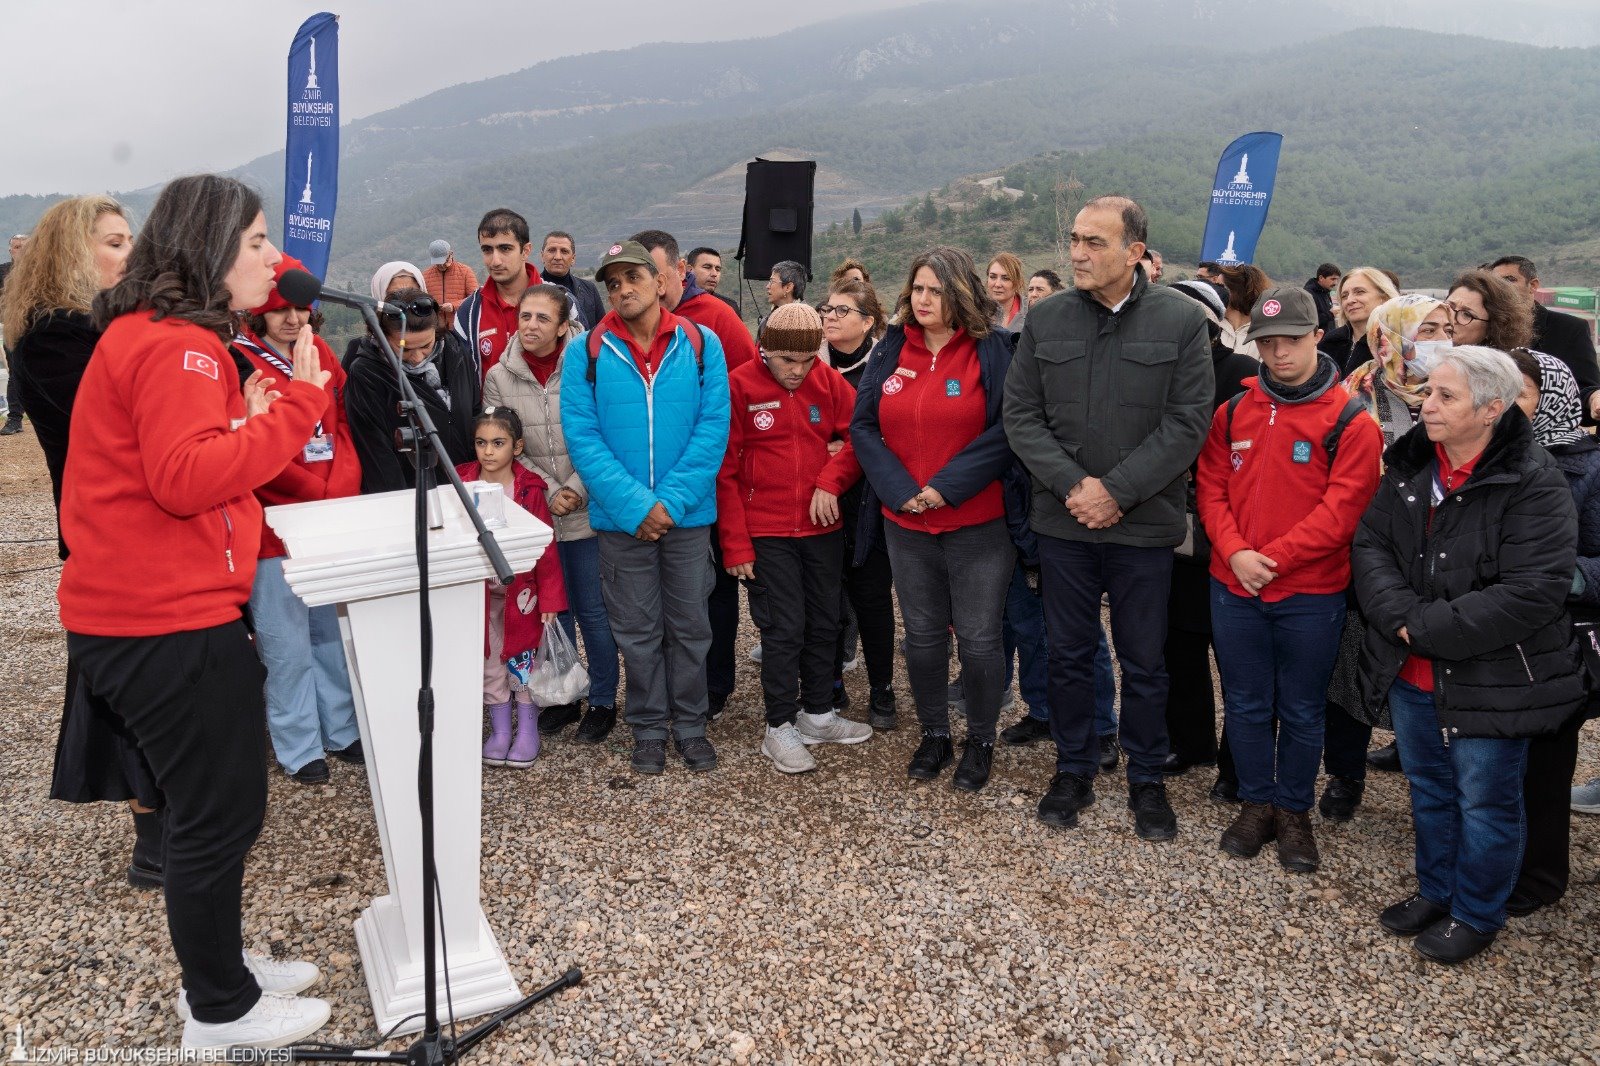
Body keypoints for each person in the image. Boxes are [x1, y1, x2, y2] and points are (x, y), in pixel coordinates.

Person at [61, 174, 333, 1048]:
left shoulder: (158, 337)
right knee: (220, 813)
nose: (273, 260)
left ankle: (223, 967)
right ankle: (221, 1010)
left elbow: (183, 464)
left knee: (211, 807)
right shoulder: (181, 346)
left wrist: (238, 425)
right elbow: (184, 482)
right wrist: (297, 403)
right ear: (212, 248)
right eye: (256, 242)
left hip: (148, 612)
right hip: (162, 619)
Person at [1354, 345, 1582, 965]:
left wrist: (1419, 626)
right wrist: (1400, 619)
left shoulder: (1533, 480)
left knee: (1485, 800)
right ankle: (1437, 891)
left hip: (1492, 673)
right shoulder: (1410, 465)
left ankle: (1477, 913)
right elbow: (1372, 543)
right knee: (1428, 787)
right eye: (1428, 392)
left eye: (1444, 397)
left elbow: (1532, 592)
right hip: (1414, 669)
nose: (1426, 404)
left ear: (1491, 410)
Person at [1003, 194, 1213, 838]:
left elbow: (1187, 424)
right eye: (1074, 239)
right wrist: (1076, 486)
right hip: (1064, 522)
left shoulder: (1180, 322)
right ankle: (1074, 766)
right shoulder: (1049, 320)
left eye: (1094, 242)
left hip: (1143, 527)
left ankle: (1147, 779)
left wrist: (1115, 491)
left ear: (1135, 252)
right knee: (1068, 653)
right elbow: (1022, 416)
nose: (1077, 253)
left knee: (1145, 658)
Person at [1197, 287, 1382, 873]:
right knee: (1247, 705)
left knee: (1302, 710)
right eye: (1267, 343)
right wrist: (1234, 551)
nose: (1278, 354)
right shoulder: (1233, 412)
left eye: (1290, 341)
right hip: (1234, 588)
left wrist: (1267, 559)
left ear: (1315, 338)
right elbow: (1211, 488)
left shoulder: (1352, 420)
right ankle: (1257, 804)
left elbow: (1342, 512)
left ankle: (1294, 810)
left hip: (1309, 593)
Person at [2, 196, 158, 884]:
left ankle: (177, 825)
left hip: (149, 527)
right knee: (128, 699)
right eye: (116, 242)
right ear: (73, 252)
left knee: (160, 687)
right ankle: (154, 839)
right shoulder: (54, 337)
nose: (131, 254)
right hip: (108, 538)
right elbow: (124, 422)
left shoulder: (107, 328)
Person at [851, 246, 1019, 792]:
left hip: (977, 523)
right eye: (917, 289)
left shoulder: (992, 350)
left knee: (977, 639)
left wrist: (945, 489)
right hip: (907, 524)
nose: (923, 300)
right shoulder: (892, 348)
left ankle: (982, 739)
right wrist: (902, 492)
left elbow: (1007, 429)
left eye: (935, 290)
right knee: (922, 637)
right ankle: (935, 733)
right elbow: (864, 427)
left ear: (960, 294)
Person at [561, 240, 731, 774]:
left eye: (633, 277)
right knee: (635, 629)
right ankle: (650, 728)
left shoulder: (702, 344)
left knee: (689, 626)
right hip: (621, 520)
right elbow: (583, 438)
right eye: (612, 283)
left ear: (661, 282)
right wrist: (637, 505)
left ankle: (691, 725)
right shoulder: (585, 351)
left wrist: (671, 503)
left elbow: (714, 429)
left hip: (685, 517)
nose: (622, 289)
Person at [719, 302, 872, 772]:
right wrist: (736, 543)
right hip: (765, 531)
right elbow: (723, 472)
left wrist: (831, 479)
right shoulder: (739, 385)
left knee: (825, 622)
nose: (796, 371)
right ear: (764, 349)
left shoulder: (827, 382)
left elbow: (859, 438)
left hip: (821, 529)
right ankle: (779, 725)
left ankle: (818, 713)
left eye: (806, 360)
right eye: (786, 360)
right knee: (784, 627)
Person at [233, 255, 363, 785]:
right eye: (279, 309)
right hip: (273, 525)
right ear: (258, 313)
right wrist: (313, 489)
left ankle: (341, 728)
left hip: (327, 513)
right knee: (286, 644)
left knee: (330, 635)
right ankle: (298, 744)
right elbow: (249, 446)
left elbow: (344, 428)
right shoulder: (241, 361)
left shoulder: (322, 352)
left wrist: (339, 486)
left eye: (300, 309)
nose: (292, 319)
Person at [629, 229, 758, 721]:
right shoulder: (624, 327)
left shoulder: (716, 319)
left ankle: (714, 684)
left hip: (710, 482)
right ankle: (666, 687)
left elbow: (745, 391)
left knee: (713, 588)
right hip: (648, 490)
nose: (651, 287)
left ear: (678, 271)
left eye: (657, 276)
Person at [484, 283, 620, 744]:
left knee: (592, 611)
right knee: (549, 613)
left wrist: (576, 489)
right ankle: (561, 696)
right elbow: (501, 445)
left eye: (543, 318)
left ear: (565, 326)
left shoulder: (588, 366)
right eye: (525, 317)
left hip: (585, 510)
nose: (531, 326)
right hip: (534, 514)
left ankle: (602, 699)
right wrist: (547, 490)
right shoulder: (499, 376)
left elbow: (602, 433)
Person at [1335, 294, 1454, 789]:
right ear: (1392, 334)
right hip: (1367, 547)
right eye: (1428, 330)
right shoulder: (1353, 391)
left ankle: (1421, 762)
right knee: (1353, 666)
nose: (1441, 340)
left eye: (1447, 327)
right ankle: (1345, 775)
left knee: (1426, 669)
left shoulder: (1459, 389)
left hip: (1441, 554)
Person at [1505, 348, 1599, 916]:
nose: (1504, 407)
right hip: (1487, 634)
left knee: (1543, 768)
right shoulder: (1479, 459)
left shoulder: (1589, 469)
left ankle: (1539, 876)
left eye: (1519, 394)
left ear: (1554, 398)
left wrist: (1555, 578)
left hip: (1553, 642)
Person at [1160, 280, 1257, 783]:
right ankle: (1189, 741)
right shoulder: (1162, 372)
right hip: (1175, 533)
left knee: (1237, 658)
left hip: (1230, 532)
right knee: (1179, 646)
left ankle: (1237, 760)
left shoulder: (1243, 372)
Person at [458, 407, 566, 768]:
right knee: (489, 661)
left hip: (524, 596)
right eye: (481, 443)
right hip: (479, 594)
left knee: (523, 659)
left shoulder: (529, 489)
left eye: (498, 443)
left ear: (517, 446)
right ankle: (501, 730)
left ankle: (527, 730)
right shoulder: (461, 485)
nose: (488, 451)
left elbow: (546, 547)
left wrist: (551, 597)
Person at [818, 278, 898, 728]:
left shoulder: (886, 366)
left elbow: (893, 431)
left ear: (869, 321)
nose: (829, 316)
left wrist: (851, 446)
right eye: (827, 309)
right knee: (826, 596)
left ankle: (883, 688)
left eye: (842, 311)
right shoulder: (809, 363)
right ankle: (829, 682)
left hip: (870, 502)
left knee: (871, 598)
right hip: (820, 498)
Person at [345, 288, 481, 493]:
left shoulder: (456, 352)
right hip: (411, 494)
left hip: (465, 486)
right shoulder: (368, 373)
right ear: (380, 336)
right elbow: (376, 453)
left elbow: (475, 413)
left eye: (426, 345)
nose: (418, 357)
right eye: (405, 349)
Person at [1490, 255, 1600, 418]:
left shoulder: (1569, 329)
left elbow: (1584, 391)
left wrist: (1593, 400)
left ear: (1532, 285)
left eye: (1510, 279)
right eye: (1496, 283)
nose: (1501, 287)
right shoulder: (1486, 327)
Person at [452, 208, 543, 379]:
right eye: (487, 250)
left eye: (505, 249)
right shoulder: (469, 312)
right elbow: (463, 378)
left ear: (526, 251)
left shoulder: (562, 303)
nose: (495, 261)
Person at [342, 261, 427, 369]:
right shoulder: (360, 351)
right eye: (395, 295)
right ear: (380, 297)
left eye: (412, 292)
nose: (405, 300)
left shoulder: (445, 344)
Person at [1324, 267, 1400, 375]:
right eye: (1344, 296)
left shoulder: (1399, 345)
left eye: (1359, 292)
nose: (1349, 300)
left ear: (1385, 297)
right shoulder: (1330, 342)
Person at [540, 231, 606, 330]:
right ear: (542, 256)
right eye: (551, 250)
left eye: (564, 251)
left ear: (573, 259)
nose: (557, 257)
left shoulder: (589, 289)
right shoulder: (531, 289)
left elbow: (602, 329)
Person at [1, 232, 30, 434]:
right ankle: (14, 419)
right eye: (17, 246)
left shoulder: (41, 272)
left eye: (24, 246)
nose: (20, 250)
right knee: (15, 373)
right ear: (10, 250)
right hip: (12, 327)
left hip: (38, 328)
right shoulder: (2, 271)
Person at [422, 239, 478, 332]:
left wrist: (454, 306)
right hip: (436, 330)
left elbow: (475, 299)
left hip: (461, 328)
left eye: (445, 261)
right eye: (438, 263)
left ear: (451, 254)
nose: (442, 265)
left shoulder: (465, 271)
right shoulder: (425, 275)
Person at [1217, 264, 1269, 358]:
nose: (1214, 291)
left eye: (1220, 286)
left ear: (1237, 292)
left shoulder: (1266, 334)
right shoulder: (1210, 326)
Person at [688, 246, 741, 315]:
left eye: (718, 269)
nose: (714, 274)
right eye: (707, 267)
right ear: (689, 270)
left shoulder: (729, 307)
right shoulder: (674, 303)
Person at [987, 252, 1027, 332]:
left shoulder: (1031, 313)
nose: (997, 284)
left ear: (1017, 282)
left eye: (1005, 278)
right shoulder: (976, 313)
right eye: (993, 277)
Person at [1304, 262, 1340, 335]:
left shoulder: (1325, 291)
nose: (1335, 283)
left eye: (1337, 279)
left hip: (1328, 339)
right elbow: (1308, 321)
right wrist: (1331, 314)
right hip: (1316, 341)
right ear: (1321, 278)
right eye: (1332, 279)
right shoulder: (1308, 294)